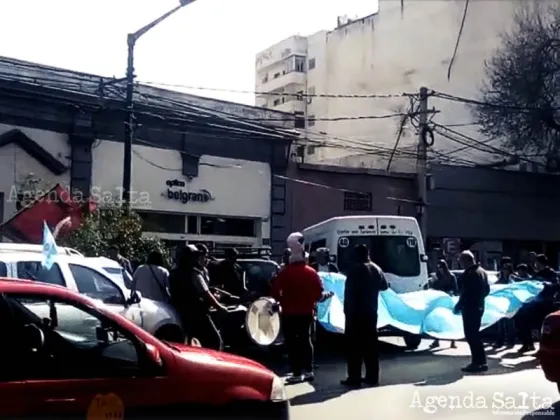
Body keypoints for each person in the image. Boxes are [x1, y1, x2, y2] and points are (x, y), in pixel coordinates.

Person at [271, 232, 326, 384]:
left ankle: (296, 372)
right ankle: (309, 371)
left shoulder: (284, 274)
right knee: (306, 341)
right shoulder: (312, 273)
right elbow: (318, 295)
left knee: (292, 343)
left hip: (289, 313)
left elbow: (275, 293)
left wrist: (283, 300)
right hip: (307, 313)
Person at [341, 244, 388, 387]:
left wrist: (346, 312)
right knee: (371, 347)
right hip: (371, 313)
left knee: (354, 348)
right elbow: (385, 286)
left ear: (357, 255)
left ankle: (354, 377)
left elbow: (349, 294)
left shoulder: (354, 270)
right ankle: (372, 377)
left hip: (355, 314)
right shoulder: (376, 269)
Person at [169, 245, 227, 350]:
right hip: (198, 314)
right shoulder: (194, 273)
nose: (197, 259)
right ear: (189, 258)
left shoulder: (173, 273)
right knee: (215, 342)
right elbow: (206, 293)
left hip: (181, 313)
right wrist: (220, 308)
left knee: (188, 344)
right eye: (194, 256)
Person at [454, 250, 489, 373]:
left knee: (471, 335)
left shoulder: (471, 273)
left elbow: (467, 292)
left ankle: (476, 362)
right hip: (479, 306)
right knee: (475, 334)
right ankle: (482, 361)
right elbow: (486, 290)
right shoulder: (482, 272)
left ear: (468, 260)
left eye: (461, 261)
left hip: (470, 307)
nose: (461, 264)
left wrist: (460, 304)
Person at [517, 254, 558, 353]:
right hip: (535, 303)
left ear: (541, 263)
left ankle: (542, 349)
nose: (536, 265)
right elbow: (531, 284)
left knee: (542, 326)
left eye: (537, 263)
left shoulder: (550, 273)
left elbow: (557, 285)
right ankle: (528, 344)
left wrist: (547, 284)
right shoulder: (537, 273)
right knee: (524, 319)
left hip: (546, 303)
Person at [427, 260, 458, 349]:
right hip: (440, 301)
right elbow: (435, 288)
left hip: (448, 300)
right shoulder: (438, 277)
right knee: (439, 321)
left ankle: (453, 341)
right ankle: (436, 340)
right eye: (438, 268)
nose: (440, 269)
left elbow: (455, 289)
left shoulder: (451, 276)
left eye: (441, 267)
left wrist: (450, 292)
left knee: (450, 320)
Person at [493, 258, 515, 348]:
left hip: (510, 304)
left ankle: (511, 341)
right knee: (501, 323)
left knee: (510, 323)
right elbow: (495, 287)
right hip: (501, 304)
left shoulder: (512, 279)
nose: (504, 270)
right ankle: (500, 341)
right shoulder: (500, 280)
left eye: (506, 268)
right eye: (503, 268)